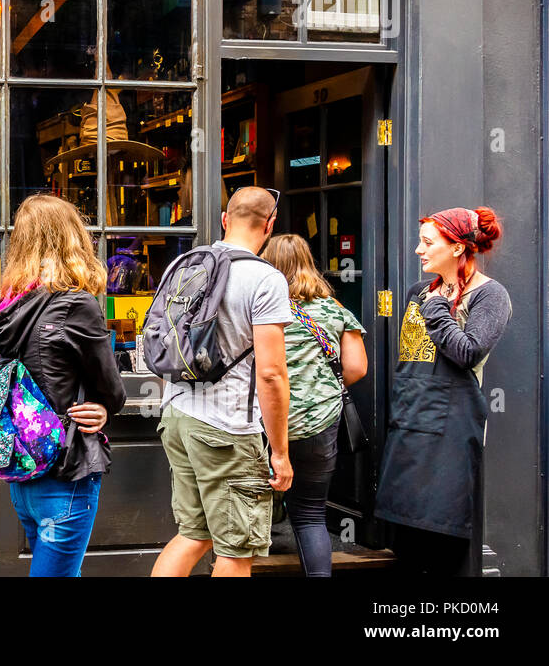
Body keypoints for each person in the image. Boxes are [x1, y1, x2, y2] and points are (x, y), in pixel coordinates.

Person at [0, 195, 126, 576]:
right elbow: (112, 390)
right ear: (73, 238)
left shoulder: (10, 309)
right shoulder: (77, 305)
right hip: (66, 467)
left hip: (23, 470)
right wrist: (106, 405)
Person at [151, 185, 294, 577]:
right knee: (235, 551)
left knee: (193, 534)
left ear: (225, 220)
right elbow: (270, 372)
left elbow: (166, 343)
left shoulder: (183, 265)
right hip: (227, 427)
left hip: (177, 416)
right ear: (270, 225)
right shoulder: (266, 279)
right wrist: (279, 452)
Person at [376, 206, 511, 576]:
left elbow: (467, 352)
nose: (419, 250)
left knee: (442, 542)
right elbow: (408, 360)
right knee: (406, 542)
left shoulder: (489, 296)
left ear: (456, 248)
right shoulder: (417, 291)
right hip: (409, 424)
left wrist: (436, 308)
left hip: (450, 432)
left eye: (427, 243)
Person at [261, 234, 367, 577]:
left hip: (265, 423)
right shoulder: (335, 310)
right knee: (309, 515)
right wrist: (316, 393)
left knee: (246, 511)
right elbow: (356, 368)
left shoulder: (262, 308)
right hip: (320, 424)